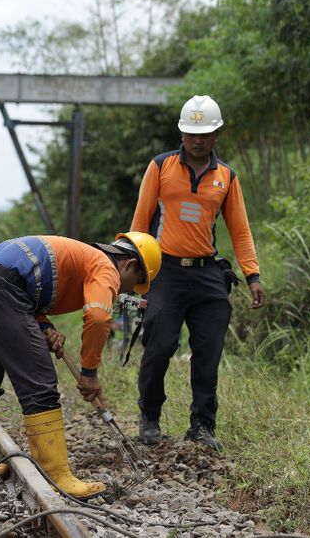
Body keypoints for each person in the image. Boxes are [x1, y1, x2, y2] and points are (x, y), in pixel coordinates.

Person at [0, 233, 161, 498]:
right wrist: (89, 374)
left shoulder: (80, 257)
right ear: (130, 265)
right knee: (40, 384)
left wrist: (44, 326)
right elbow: (99, 318)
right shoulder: (105, 267)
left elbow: (22, 288)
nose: (128, 291)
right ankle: (57, 477)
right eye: (135, 284)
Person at [130, 95, 267, 451]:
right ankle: (150, 417)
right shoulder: (160, 168)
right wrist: (135, 275)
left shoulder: (226, 177)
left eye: (204, 133)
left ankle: (202, 426)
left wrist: (252, 275)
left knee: (207, 354)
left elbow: (240, 230)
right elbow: (140, 224)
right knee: (159, 347)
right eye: (191, 133)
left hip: (207, 276)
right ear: (181, 132)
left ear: (216, 134)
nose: (197, 140)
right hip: (166, 272)